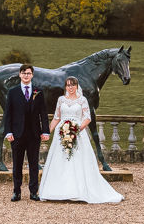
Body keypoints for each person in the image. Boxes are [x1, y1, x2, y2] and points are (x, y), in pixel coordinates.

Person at [38, 76, 123, 204]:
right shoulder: (61, 100)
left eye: (72, 85)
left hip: (77, 132)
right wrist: (47, 131)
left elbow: (87, 118)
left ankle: (78, 191)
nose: (70, 87)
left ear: (77, 86)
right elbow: (56, 117)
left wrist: (75, 130)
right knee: (60, 160)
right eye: (67, 85)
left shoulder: (82, 100)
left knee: (77, 160)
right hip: (61, 133)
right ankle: (57, 191)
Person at [3, 64, 49, 201]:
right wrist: (8, 132)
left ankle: (33, 192)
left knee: (34, 164)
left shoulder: (38, 92)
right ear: (20, 75)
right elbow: (8, 114)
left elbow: (43, 114)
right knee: (17, 164)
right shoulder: (12, 92)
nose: (26, 75)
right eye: (23, 73)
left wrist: (45, 131)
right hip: (17, 134)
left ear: (32, 75)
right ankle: (16, 192)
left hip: (34, 134)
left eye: (28, 73)